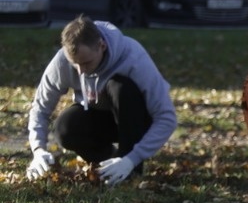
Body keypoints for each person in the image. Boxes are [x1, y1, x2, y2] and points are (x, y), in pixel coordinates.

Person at [26, 15, 177, 186]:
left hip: (136, 119)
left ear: (102, 46)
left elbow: (167, 117)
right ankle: (108, 164)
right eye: (75, 64)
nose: (81, 71)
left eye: (86, 63)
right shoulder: (62, 61)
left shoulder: (133, 56)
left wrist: (132, 158)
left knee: (119, 87)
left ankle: (129, 170)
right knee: (64, 128)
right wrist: (38, 150)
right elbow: (40, 108)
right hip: (100, 116)